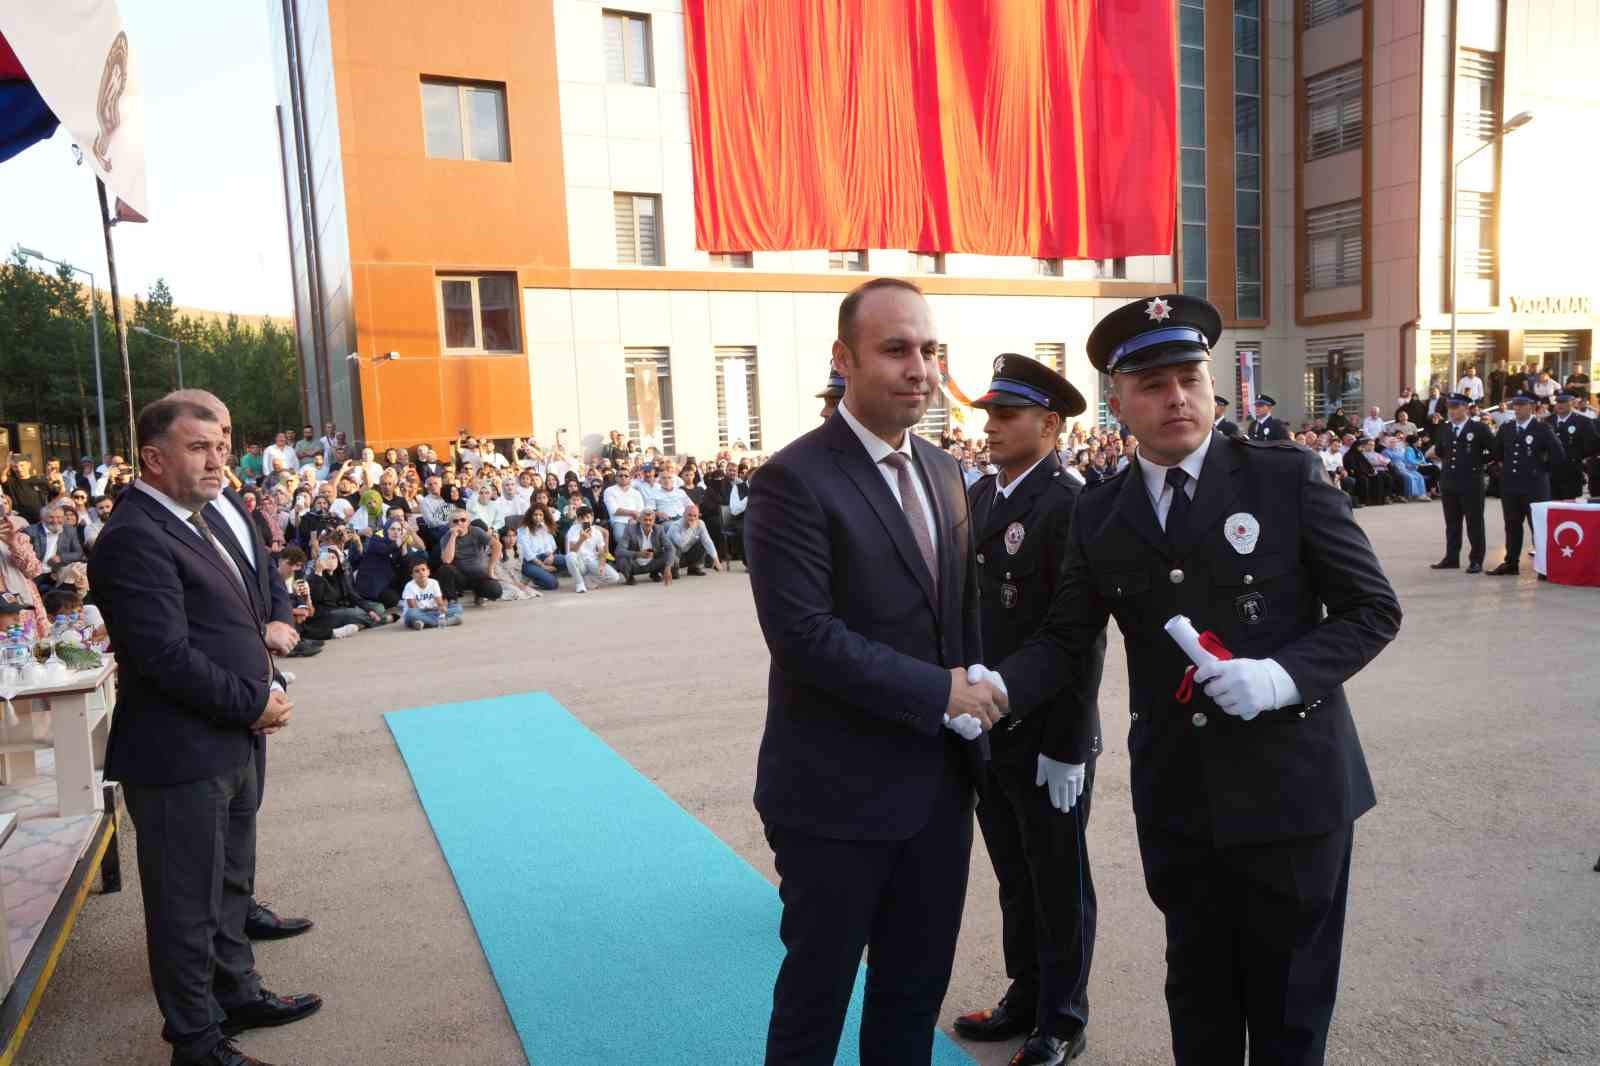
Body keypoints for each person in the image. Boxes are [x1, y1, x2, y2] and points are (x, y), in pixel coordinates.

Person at [981, 293, 1401, 1066]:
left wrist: (1280, 677)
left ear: (1212, 385)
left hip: (1293, 791)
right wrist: (995, 689)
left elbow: (1372, 609)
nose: (1175, 396)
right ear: (1117, 401)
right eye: (1152, 383)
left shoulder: (1285, 477)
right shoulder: (1100, 512)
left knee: (1289, 1010)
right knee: (1198, 999)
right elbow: (1066, 638)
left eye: (1188, 376)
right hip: (1181, 796)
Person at [744, 277, 1001, 1065]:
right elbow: (804, 638)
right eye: (896, 349)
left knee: (910, 1000)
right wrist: (941, 691)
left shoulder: (947, 473)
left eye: (928, 349)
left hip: (937, 791)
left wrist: (985, 689)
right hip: (834, 799)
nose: (919, 367)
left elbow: (954, 618)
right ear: (844, 359)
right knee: (815, 1003)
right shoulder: (793, 480)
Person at [88, 397, 322, 1066]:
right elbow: (163, 657)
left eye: (220, 445)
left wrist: (264, 690)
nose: (218, 459)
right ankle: (195, 1041)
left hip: (227, 737)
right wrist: (253, 702)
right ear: (155, 459)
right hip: (180, 751)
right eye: (199, 448)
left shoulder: (192, 522)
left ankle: (236, 990)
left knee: (227, 884)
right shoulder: (136, 534)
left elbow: (233, 621)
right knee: (184, 907)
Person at [954, 354, 1105, 1065]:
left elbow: (1077, 636)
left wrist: (1071, 742)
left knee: (1058, 879)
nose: (990, 427)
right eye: (988, 414)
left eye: (1006, 415)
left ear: (1050, 425)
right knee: (1014, 872)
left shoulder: (1070, 503)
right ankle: (1026, 991)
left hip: (1046, 730)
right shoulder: (984, 496)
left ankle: (1063, 1016)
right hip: (989, 727)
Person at [1487, 392, 1565, 575]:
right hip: (1511, 486)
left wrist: (1540, 470)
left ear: (1531, 407)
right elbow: (1496, 453)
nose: (1517, 408)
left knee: (1537, 526)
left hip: (1534, 486)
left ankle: (1543, 566)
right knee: (1512, 525)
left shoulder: (1542, 428)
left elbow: (1558, 455)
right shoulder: (1506, 428)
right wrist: (1501, 473)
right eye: (1515, 405)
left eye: (1521, 405)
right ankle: (1511, 562)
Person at [1427, 393, 1495, 572]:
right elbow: (1441, 451)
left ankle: (1476, 560)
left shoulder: (1479, 428)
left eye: (1455, 407)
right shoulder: (1445, 429)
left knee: (1474, 523)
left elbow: (1494, 450)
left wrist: (1478, 461)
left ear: (1465, 408)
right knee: (1452, 523)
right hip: (1450, 481)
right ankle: (1451, 558)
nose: (1452, 411)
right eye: (1450, 407)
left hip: (1471, 481)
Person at [437, 509, 503, 603]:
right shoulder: (446, 537)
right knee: (445, 569)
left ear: (468, 522)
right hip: (461, 577)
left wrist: (490, 569)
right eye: (455, 521)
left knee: (496, 591)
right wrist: (453, 537)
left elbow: (497, 545)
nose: (459, 523)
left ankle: (479, 593)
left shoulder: (476, 532)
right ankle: (451, 600)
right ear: (450, 524)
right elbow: (447, 560)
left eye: (463, 520)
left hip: (479, 575)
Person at [1547, 391, 1598, 501]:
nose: (1560, 405)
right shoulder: (1547, 421)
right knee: (1552, 507)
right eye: (1558, 402)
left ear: (1572, 403)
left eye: (1564, 402)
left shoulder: (1583, 421)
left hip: (1571, 472)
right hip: (1551, 472)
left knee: (1568, 507)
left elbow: (1593, 445)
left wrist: (1577, 456)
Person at [564, 505, 622, 593]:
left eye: (588, 517)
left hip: (592, 562)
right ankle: (580, 584)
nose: (585, 520)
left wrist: (602, 565)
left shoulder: (597, 532)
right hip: (580, 563)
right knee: (570, 556)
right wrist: (581, 539)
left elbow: (602, 552)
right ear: (578, 519)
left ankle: (589, 579)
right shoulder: (573, 529)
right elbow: (572, 550)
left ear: (592, 518)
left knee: (615, 577)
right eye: (582, 518)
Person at [25, 501, 86, 584]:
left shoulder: (69, 530)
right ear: (42, 518)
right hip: (35, 574)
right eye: (51, 517)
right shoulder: (31, 532)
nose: (55, 521)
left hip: (58, 572)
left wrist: (61, 557)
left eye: (59, 517)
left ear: (63, 518)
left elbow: (79, 553)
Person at [615, 509, 675, 586]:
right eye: (645, 520)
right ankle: (629, 577)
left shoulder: (659, 529)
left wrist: (668, 567)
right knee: (622, 559)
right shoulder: (630, 529)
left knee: (671, 557)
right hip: (635, 563)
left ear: (654, 521)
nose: (648, 523)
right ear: (639, 520)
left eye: (650, 520)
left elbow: (670, 548)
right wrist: (638, 554)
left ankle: (654, 573)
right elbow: (619, 551)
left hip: (653, 562)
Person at [401, 559, 462, 628]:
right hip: (419, 613)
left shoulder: (434, 583)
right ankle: (443, 622)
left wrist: (442, 607)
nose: (421, 573)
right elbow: (413, 608)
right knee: (411, 613)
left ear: (428, 572)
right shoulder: (409, 586)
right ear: (412, 575)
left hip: (433, 612)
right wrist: (431, 610)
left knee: (458, 608)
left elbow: (440, 603)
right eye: (417, 571)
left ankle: (423, 623)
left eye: (423, 570)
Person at [665, 503, 723, 575]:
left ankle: (694, 567)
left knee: (701, 542)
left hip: (686, 552)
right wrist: (691, 529)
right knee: (675, 549)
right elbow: (681, 544)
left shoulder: (701, 524)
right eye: (689, 515)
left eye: (695, 516)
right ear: (684, 515)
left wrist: (716, 559)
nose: (692, 518)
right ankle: (674, 568)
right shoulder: (676, 526)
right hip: (673, 556)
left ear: (698, 516)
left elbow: (708, 542)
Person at [515, 510, 564, 591]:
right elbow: (526, 552)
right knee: (553, 584)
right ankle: (536, 578)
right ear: (530, 516)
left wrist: (551, 556)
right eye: (535, 515)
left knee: (567, 559)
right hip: (529, 562)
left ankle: (543, 574)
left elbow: (552, 545)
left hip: (544, 557)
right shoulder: (523, 529)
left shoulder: (544, 527)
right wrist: (543, 567)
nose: (538, 517)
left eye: (541, 515)